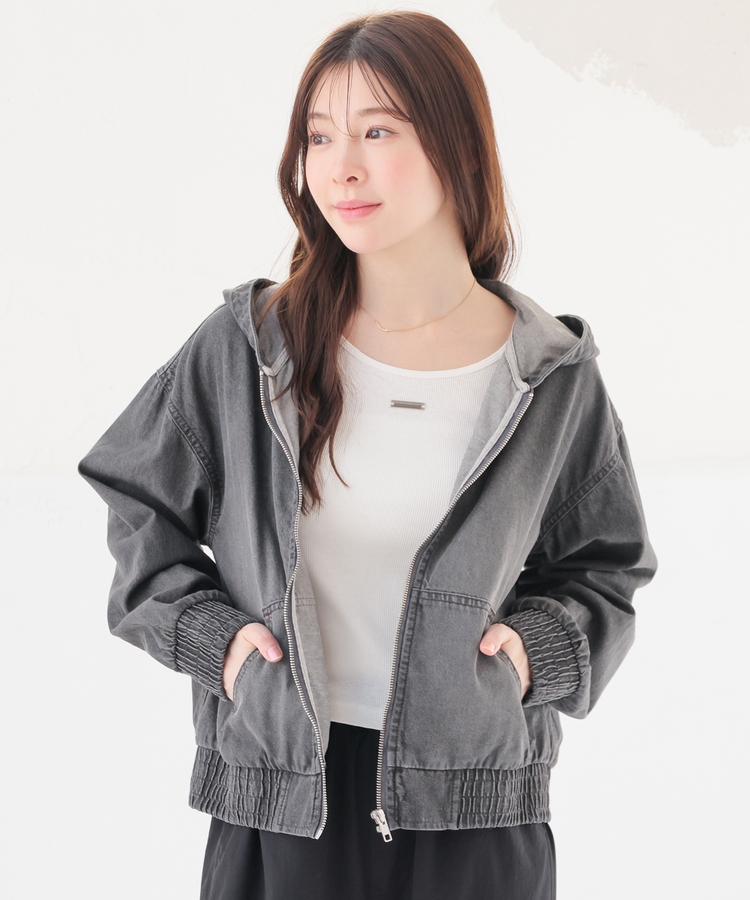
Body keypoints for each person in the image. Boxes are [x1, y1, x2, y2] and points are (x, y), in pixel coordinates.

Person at [77, 10, 657, 900]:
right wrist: (214, 642)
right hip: (282, 801)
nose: (340, 166)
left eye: (378, 131)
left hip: (476, 810)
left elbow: (605, 566)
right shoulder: (250, 349)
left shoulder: (548, 375)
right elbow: (135, 495)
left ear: (457, 146)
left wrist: (531, 654)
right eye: (320, 136)